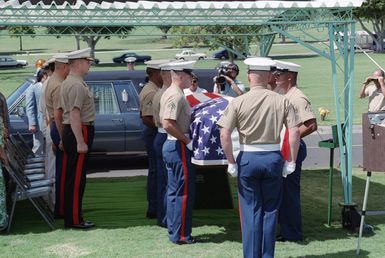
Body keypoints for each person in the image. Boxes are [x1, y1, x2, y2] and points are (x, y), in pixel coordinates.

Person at [217, 57, 300, 258]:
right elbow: (295, 132)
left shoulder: (238, 101)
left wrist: (230, 162)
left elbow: (224, 134)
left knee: (250, 212)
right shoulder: (282, 100)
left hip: (248, 157)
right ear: (269, 76)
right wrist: (292, 161)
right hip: (272, 157)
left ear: (249, 76)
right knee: (270, 211)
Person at [274, 60, 317, 242]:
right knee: (283, 193)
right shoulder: (284, 94)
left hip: (293, 149)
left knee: (289, 193)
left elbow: (311, 124)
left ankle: (292, 233)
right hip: (286, 147)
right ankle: (286, 230)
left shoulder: (297, 97)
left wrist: (290, 139)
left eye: (279, 75)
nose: (275, 77)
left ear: (289, 76)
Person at [160, 60, 197, 244]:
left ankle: (175, 232)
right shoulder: (175, 95)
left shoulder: (174, 92)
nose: (192, 79)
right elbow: (167, 123)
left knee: (174, 192)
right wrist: (187, 141)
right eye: (190, 75)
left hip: (174, 146)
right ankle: (181, 235)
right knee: (183, 193)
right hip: (178, 146)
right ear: (181, 76)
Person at [59, 48, 95, 229]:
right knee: (76, 179)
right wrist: (80, 141)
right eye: (87, 62)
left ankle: (73, 216)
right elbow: (74, 114)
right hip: (79, 130)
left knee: (74, 176)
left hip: (73, 130)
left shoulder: (72, 82)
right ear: (79, 63)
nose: (89, 65)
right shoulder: (75, 84)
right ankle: (74, 220)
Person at [45, 54, 70, 218]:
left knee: (59, 170)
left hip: (53, 126)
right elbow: (58, 114)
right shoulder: (58, 85)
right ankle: (60, 208)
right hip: (57, 127)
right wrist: (61, 138)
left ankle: (58, 206)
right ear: (63, 67)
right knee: (61, 172)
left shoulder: (50, 82)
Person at [139, 60, 163, 219]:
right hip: (153, 132)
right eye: (161, 72)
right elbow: (146, 117)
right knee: (155, 171)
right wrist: (162, 128)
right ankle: (154, 207)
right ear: (154, 73)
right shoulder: (151, 92)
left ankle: (155, 205)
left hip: (153, 131)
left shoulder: (154, 89)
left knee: (156, 170)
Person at [152, 61, 173, 227]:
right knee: (167, 181)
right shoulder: (167, 94)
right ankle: (166, 217)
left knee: (163, 181)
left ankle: (164, 217)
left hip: (161, 136)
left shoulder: (161, 93)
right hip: (166, 136)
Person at [39, 57, 56, 211]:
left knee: (50, 166)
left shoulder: (45, 84)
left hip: (49, 126)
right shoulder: (51, 84)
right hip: (53, 126)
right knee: (53, 168)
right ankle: (53, 203)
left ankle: (50, 200)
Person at [26, 68, 47, 155]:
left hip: (49, 123)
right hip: (39, 124)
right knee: (38, 146)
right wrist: (32, 123)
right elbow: (30, 107)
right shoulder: (33, 87)